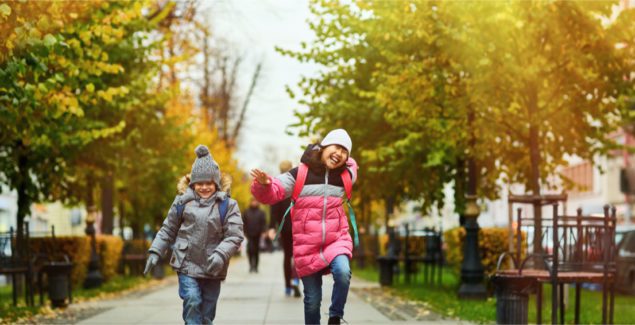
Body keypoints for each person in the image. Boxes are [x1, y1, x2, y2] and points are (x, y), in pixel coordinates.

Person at [250, 129, 358, 325]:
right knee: (312, 301)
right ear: (324, 146)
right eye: (337, 147)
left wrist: (342, 157)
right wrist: (264, 184)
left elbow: (353, 165)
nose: (340, 154)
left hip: (336, 239)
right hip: (307, 245)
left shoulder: (345, 175)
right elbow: (273, 193)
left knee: (343, 272)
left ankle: (335, 316)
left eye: (345, 151)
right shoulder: (300, 173)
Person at [144, 145, 244, 324]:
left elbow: (235, 235)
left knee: (206, 314)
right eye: (199, 183)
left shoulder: (228, 205)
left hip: (213, 266)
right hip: (187, 263)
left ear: (216, 183)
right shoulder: (182, 203)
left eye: (209, 183)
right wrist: (155, 251)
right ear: (192, 183)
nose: (204, 187)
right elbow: (168, 229)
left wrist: (221, 254)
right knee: (192, 300)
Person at [269, 160, 301, 297]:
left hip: (284, 227)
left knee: (287, 256)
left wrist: (272, 227)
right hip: (299, 225)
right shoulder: (297, 184)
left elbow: (273, 209)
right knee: (298, 255)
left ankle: (287, 286)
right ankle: (295, 279)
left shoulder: (277, 185)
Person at [243, 197, 267, 273]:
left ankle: (256, 267)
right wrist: (244, 232)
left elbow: (264, 223)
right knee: (250, 250)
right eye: (253, 201)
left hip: (258, 234)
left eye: (255, 201)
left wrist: (263, 232)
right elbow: (243, 223)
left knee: (256, 251)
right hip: (249, 234)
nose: (254, 203)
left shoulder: (261, 212)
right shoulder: (246, 212)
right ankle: (250, 265)